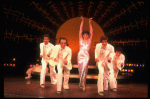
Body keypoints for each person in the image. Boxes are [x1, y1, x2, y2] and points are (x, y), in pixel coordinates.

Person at [77, 16, 93, 91]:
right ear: (83, 35)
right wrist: (82, 21)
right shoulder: (80, 39)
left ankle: (83, 84)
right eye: (84, 34)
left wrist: (90, 23)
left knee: (84, 69)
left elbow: (92, 31)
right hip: (80, 55)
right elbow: (80, 30)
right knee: (81, 70)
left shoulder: (89, 40)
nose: (86, 35)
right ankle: (82, 82)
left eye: (87, 34)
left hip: (86, 56)